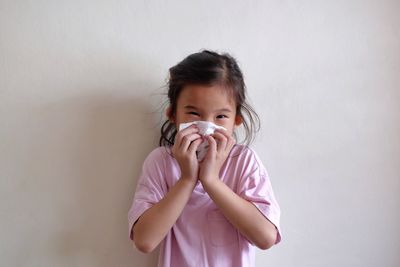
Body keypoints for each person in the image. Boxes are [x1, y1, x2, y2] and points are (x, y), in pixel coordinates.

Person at [128, 50, 282, 267]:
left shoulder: (243, 161)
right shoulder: (161, 162)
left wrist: (211, 181)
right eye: (193, 114)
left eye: (220, 116)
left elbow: (265, 237)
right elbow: (144, 241)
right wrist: (187, 180)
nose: (206, 127)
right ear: (173, 115)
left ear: (236, 119)